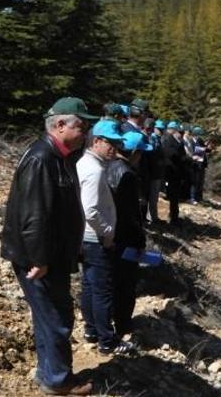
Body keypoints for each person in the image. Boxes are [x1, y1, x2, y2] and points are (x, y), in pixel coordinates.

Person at [0, 97, 96, 395]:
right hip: (39, 259)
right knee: (56, 317)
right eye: (81, 125)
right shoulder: (42, 158)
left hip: (53, 255)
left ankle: (49, 373)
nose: (86, 132)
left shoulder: (61, 157)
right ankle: (57, 381)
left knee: (51, 315)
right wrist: (39, 260)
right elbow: (34, 217)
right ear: (60, 125)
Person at [77, 119, 136, 355]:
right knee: (102, 290)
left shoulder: (85, 163)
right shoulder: (94, 170)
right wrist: (107, 232)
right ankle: (107, 340)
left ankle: (92, 330)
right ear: (96, 141)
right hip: (95, 238)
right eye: (110, 142)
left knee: (90, 286)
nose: (115, 147)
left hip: (86, 236)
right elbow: (90, 209)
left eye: (117, 143)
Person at [106, 131, 151, 338]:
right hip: (124, 237)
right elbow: (131, 214)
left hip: (108, 233)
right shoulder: (127, 174)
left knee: (108, 282)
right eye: (140, 152)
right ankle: (123, 326)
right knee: (125, 285)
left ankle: (102, 324)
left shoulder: (106, 165)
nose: (141, 157)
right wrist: (140, 239)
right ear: (133, 152)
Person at [162, 121, 189, 226]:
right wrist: (184, 158)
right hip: (170, 171)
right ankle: (173, 217)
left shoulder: (179, 142)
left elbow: (182, 155)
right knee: (172, 196)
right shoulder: (168, 140)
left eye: (182, 133)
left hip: (178, 172)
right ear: (175, 131)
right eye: (180, 132)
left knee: (175, 196)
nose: (181, 134)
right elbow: (171, 154)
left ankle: (175, 216)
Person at [144, 119, 166, 224]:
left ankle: (153, 216)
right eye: (159, 129)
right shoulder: (152, 138)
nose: (161, 131)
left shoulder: (158, 139)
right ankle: (151, 217)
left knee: (154, 196)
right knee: (151, 196)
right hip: (152, 172)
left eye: (162, 129)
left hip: (156, 172)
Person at [189, 126, 209, 204]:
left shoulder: (200, 140)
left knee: (200, 181)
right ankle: (192, 197)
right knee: (194, 182)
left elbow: (205, 149)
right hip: (194, 164)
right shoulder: (191, 141)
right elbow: (192, 152)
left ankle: (199, 197)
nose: (199, 136)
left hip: (201, 163)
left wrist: (207, 148)